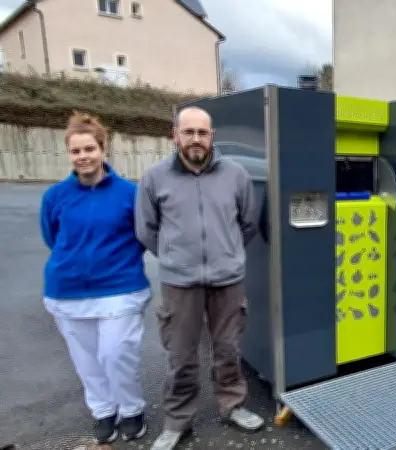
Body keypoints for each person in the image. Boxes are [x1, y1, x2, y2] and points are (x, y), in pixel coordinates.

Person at [136, 106, 262, 450]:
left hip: (227, 280)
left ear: (212, 136)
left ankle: (232, 405)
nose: (196, 139)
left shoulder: (236, 175)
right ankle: (178, 420)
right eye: (188, 132)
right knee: (181, 355)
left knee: (228, 349)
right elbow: (146, 229)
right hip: (180, 283)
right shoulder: (154, 178)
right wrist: (176, 258)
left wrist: (226, 253)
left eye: (202, 133)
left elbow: (248, 223)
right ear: (175, 135)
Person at [40, 112, 151, 444]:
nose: (83, 156)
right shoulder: (55, 196)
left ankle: (130, 409)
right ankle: (103, 410)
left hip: (120, 288)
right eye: (75, 151)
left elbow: (143, 236)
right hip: (67, 291)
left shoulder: (130, 193)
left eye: (89, 149)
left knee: (116, 354)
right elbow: (52, 236)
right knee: (86, 360)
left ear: (103, 149)